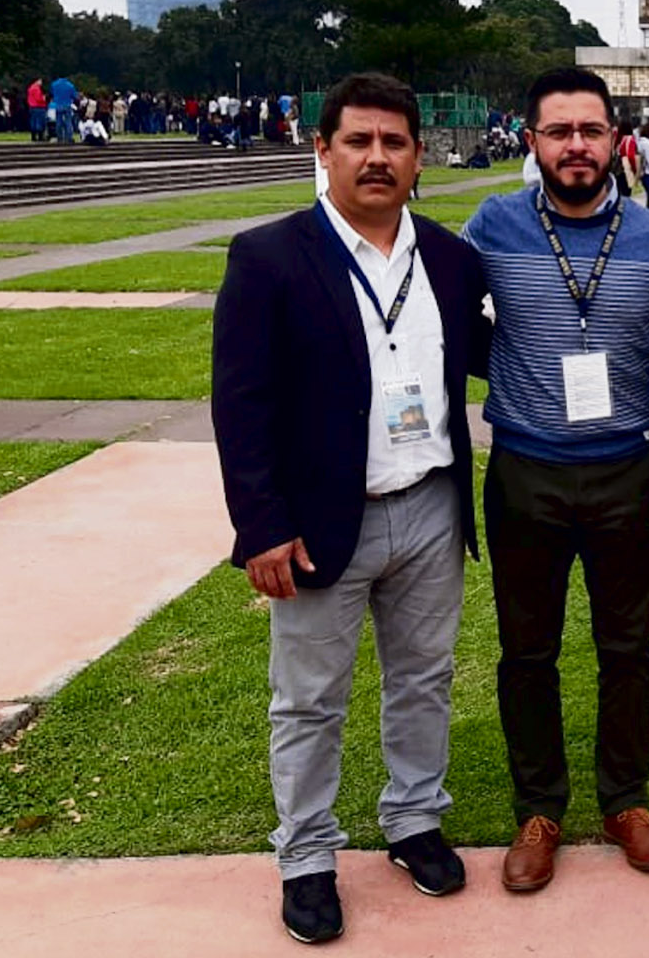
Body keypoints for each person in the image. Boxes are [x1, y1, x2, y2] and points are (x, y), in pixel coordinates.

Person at [211, 72, 489, 945]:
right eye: (359, 141)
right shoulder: (270, 257)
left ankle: (413, 821)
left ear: (418, 158)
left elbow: (485, 360)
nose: (377, 158)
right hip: (322, 521)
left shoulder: (448, 257)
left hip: (432, 507)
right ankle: (306, 858)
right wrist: (260, 524)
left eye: (394, 143)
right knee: (308, 701)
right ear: (321, 149)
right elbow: (241, 404)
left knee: (423, 680)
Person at [461, 66, 649, 894]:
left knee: (628, 648)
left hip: (627, 470)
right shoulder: (493, 225)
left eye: (590, 131)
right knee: (528, 651)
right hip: (527, 470)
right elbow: (453, 329)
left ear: (614, 138)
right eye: (558, 132)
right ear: (534, 141)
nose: (577, 147)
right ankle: (540, 809)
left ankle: (626, 801)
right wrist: (514, 373)